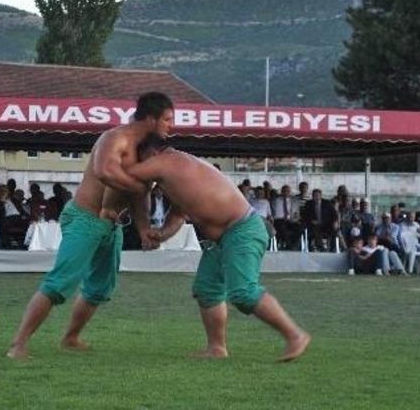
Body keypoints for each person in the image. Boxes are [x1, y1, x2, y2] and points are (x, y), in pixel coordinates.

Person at [7, 92, 174, 361]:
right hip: (85, 218)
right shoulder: (115, 138)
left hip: (111, 226)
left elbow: (138, 197)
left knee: (100, 287)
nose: (170, 125)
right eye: (167, 119)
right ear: (151, 119)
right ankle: (18, 344)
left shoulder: (146, 151)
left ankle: (71, 338)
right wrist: (140, 185)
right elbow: (105, 172)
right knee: (60, 283)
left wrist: (144, 229)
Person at [125, 135, 311, 362]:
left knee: (243, 292)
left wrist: (107, 154)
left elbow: (126, 175)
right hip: (222, 238)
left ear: (151, 154)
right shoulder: (175, 175)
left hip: (242, 229)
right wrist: (161, 234)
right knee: (207, 289)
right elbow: (178, 214)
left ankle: (295, 335)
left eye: (142, 159)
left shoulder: (167, 160)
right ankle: (216, 348)